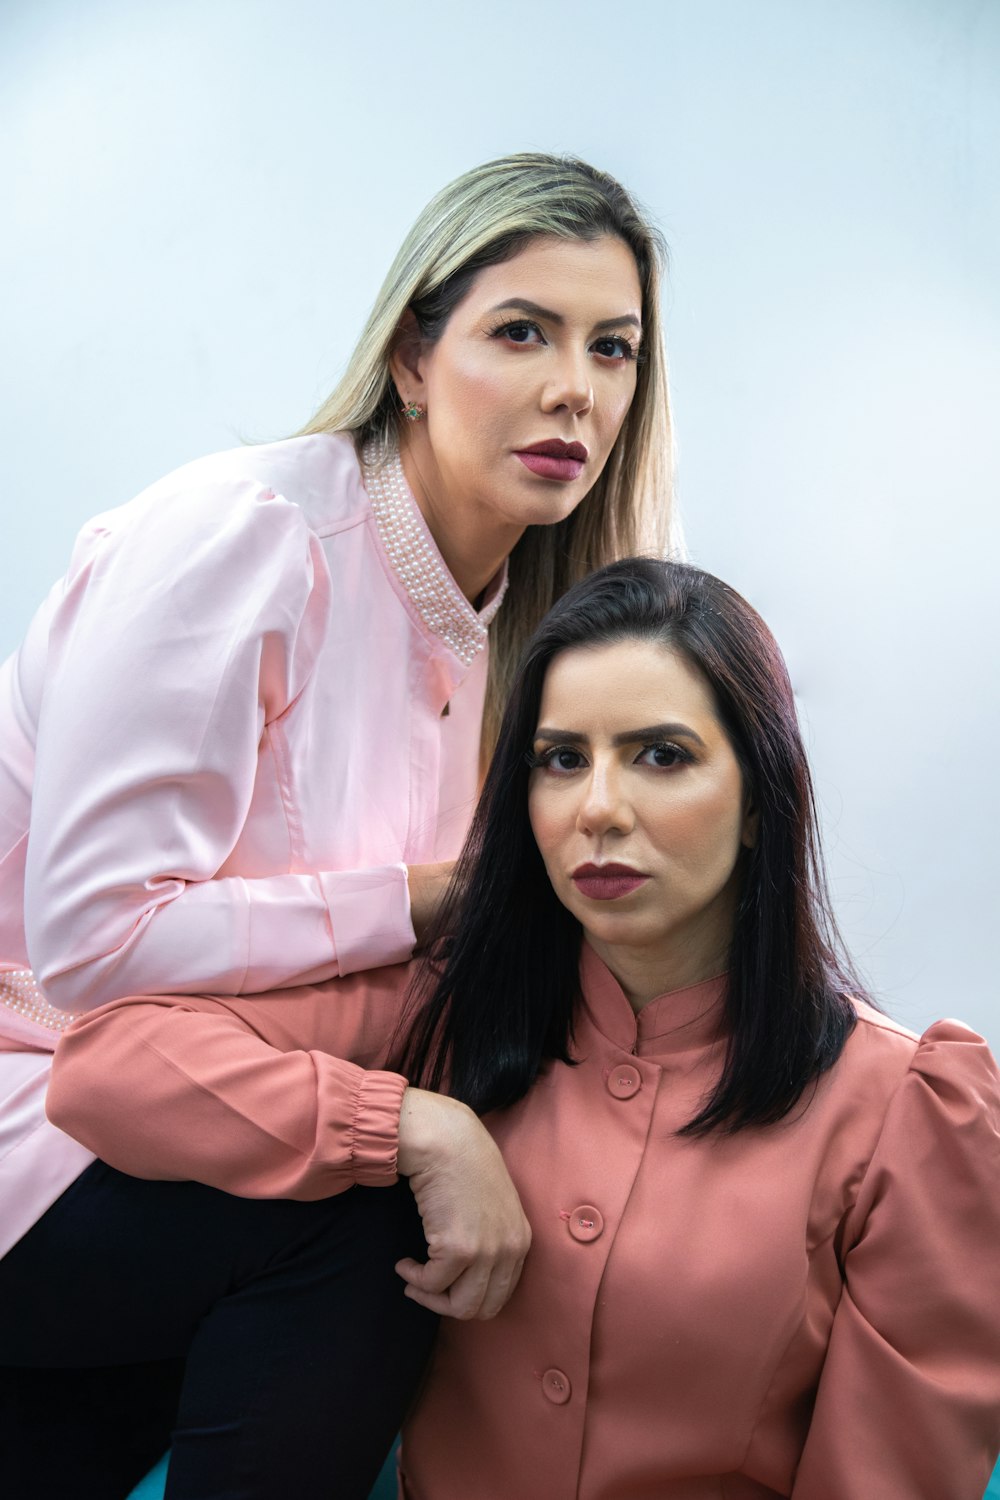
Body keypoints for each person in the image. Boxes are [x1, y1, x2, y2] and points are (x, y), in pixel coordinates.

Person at [0, 154, 680, 1498]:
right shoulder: (245, 535)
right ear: (414, 356)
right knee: (374, 1226)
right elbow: (90, 945)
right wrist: (423, 910)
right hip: (54, 1115)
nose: (576, 390)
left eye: (615, 350)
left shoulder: (535, 636)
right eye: (523, 331)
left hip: (239, 1139)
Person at [43, 559, 1000, 1498]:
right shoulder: (449, 1012)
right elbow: (106, 1064)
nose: (599, 810)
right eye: (561, 759)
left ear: (761, 799)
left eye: (662, 756)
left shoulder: (908, 1111)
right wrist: (414, 1128)